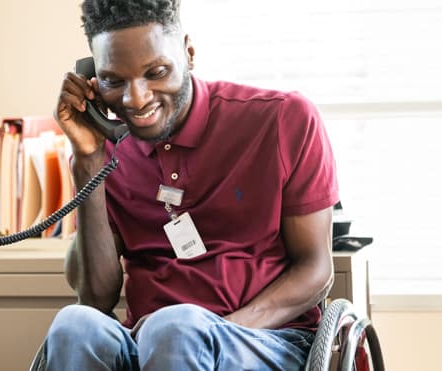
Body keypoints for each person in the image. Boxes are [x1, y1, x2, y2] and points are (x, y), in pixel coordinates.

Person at [43, 0, 339, 370]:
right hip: (149, 346)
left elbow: (316, 269)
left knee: (176, 328)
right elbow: (96, 297)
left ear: (189, 54)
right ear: (91, 79)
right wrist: (87, 160)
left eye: (157, 71)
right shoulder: (105, 154)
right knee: (74, 326)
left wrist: (216, 330)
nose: (135, 98)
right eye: (113, 81)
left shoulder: (282, 118)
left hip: (264, 339)